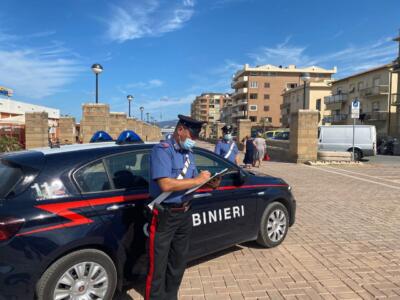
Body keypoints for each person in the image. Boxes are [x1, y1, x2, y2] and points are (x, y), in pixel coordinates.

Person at [146, 114, 220, 300]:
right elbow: (166, 185)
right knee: (158, 266)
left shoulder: (189, 154)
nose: (194, 140)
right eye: (192, 136)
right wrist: (197, 180)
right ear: (180, 130)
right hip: (165, 215)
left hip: (185, 213)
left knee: (178, 263)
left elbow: (191, 184)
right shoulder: (162, 150)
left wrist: (208, 183)